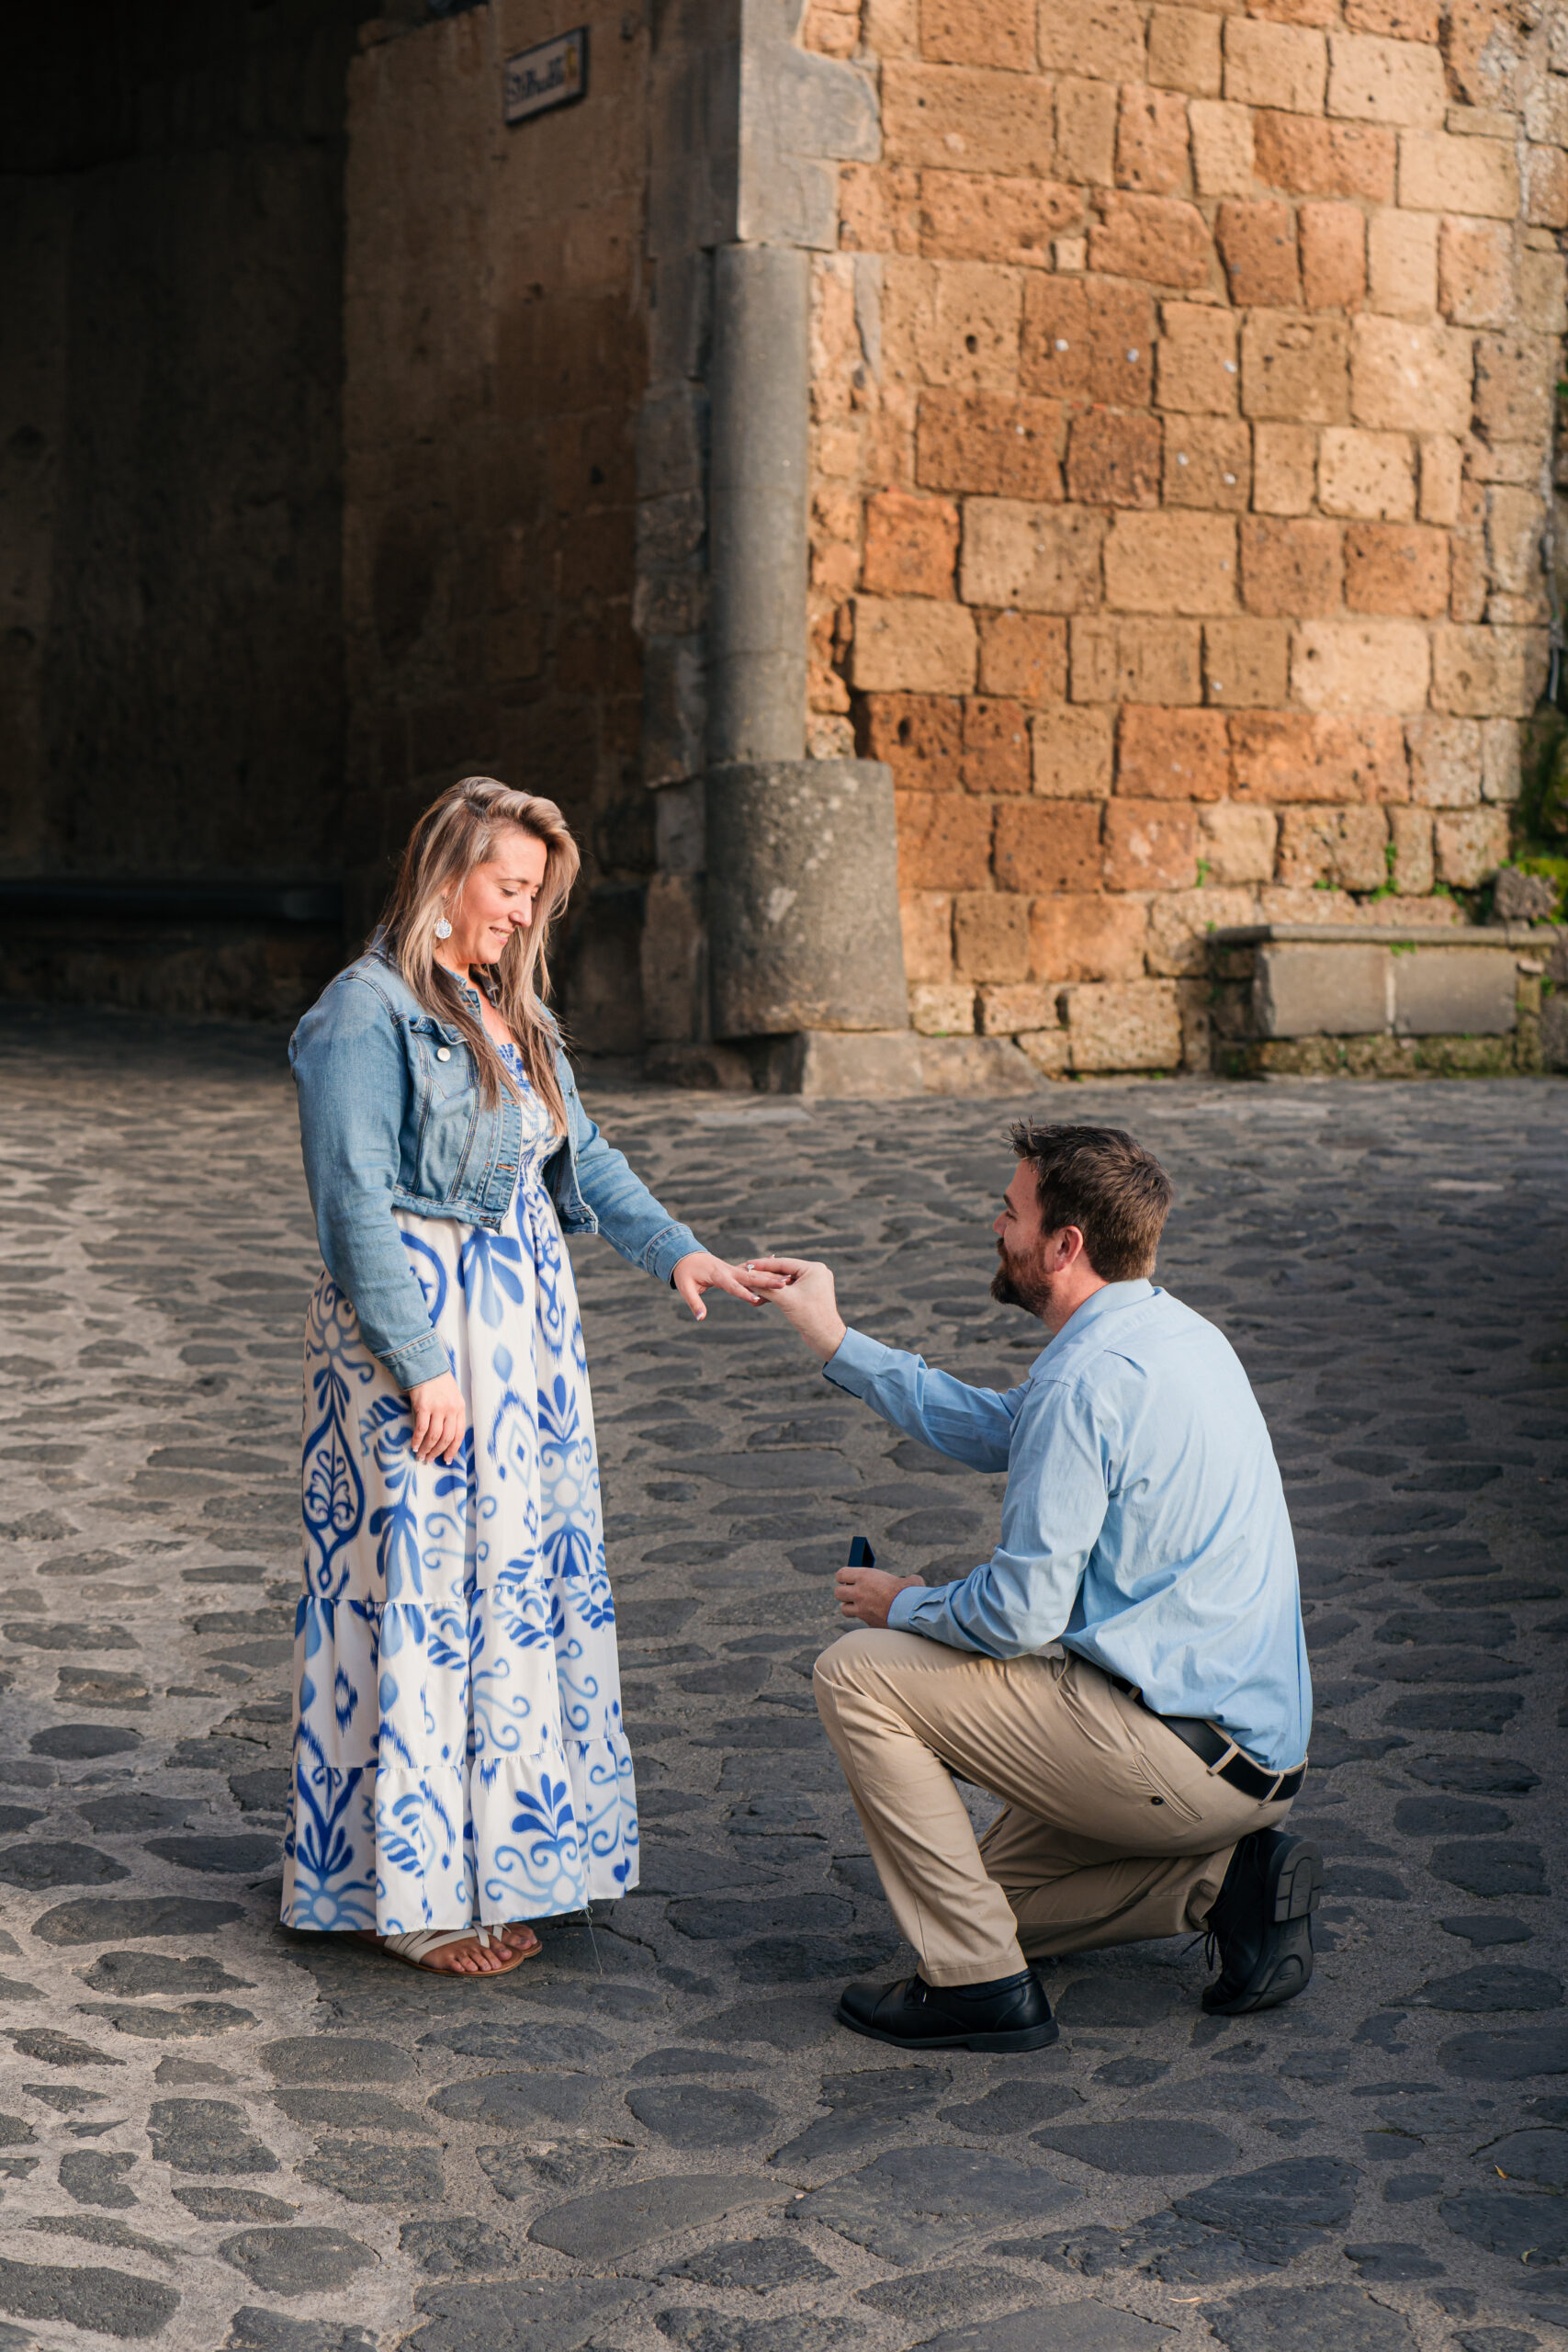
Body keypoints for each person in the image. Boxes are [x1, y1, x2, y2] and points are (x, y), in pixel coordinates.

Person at [281, 775, 776, 1976]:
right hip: (425, 1344)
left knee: (511, 1602)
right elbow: (351, 1204)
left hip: (526, 1357)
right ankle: (410, 1899)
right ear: (445, 873)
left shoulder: (508, 1010)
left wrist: (681, 1253)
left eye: (533, 894)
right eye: (508, 888)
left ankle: (504, 1861)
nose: (519, 913)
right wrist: (418, 1368)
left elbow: (581, 1153)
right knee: (422, 1601)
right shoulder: (364, 1015)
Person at [752, 1122, 1318, 2052]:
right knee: (973, 1896)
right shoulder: (1175, 1332)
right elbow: (1003, 1427)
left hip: (1173, 1751)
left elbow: (1019, 1614)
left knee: (857, 1673)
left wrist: (903, 1605)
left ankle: (982, 1991)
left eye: (1009, 1213)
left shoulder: (1088, 1379)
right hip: (1250, 1762)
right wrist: (836, 1340)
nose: (995, 1226)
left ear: (1065, 1246)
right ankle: (1230, 1882)